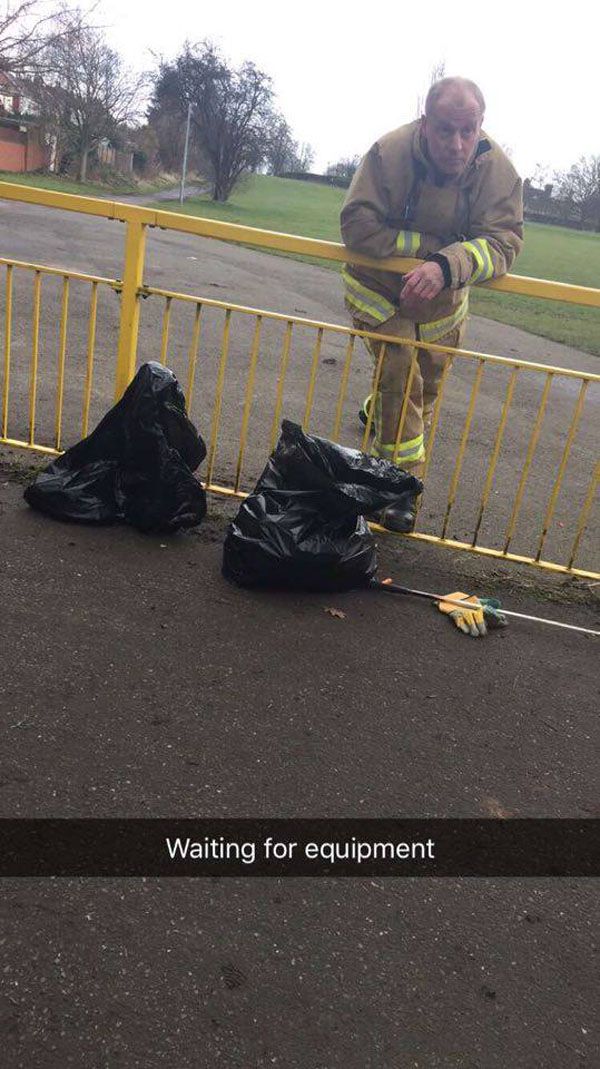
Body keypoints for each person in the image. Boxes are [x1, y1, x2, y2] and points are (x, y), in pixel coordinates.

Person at [340, 76, 523, 531]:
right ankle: (399, 489)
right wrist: (428, 246)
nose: (457, 144)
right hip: (381, 293)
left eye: (468, 130)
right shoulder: (388, 154)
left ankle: (376, 411)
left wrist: (446, 265)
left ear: (481, 125)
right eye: (445, 130)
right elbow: (356, 225)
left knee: (425, 389)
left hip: (444, 305)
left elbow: (504, 242)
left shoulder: (498, 170)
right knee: (402, 376)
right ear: (425, 124)